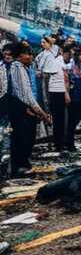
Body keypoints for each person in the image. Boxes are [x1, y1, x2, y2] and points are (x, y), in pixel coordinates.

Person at [8, 43, 51, 175]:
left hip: (27, 106)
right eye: (28, 54)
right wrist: (42, 113)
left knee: (29, 137)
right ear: (20, 56)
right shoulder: (17, 68)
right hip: (20, 107)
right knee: (22, 138)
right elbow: (26, 95)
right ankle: (18, 167)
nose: (31, 57)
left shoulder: (26, 67)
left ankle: (23, 163)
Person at [41, 40, 69, 152]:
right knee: (58, 120)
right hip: (56, 93)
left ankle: (60, 143)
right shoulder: (56, 62)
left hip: (58, 93)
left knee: (60, 120)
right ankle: (58, 144)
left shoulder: (61, 62)